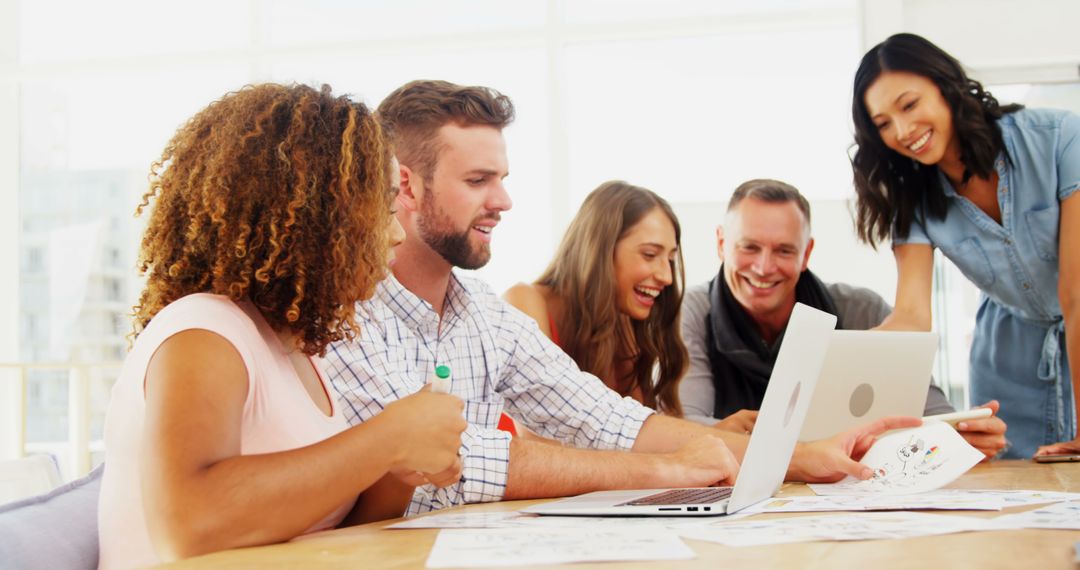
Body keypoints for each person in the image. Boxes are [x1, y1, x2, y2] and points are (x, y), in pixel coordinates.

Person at [325, 79, 919, 516]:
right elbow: (451, 467)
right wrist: (664, 471)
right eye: (479, 181)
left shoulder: (481, 314)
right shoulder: (345, 312)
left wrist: (803, 456)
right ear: (406, 185)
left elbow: (609, 421)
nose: (503, 201)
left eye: (502, 179)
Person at [97, 83, 467, 569]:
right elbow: (189, 526)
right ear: (318, 219)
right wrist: (388, 439)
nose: (397, 233)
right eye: (380, 210)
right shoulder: (202, 331)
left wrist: (398, 472)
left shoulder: (295, 347)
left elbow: (320, 532)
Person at [850, 33, 1079, 458]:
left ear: (946, 85)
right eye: (883, 123)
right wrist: (840, 358)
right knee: (1015, 490)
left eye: (909, 105)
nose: (902, 131)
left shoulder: (1060, 138)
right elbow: (912, 316)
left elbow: (1076, 292)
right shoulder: (913, 197)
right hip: (1007, 365)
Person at [678, 179, 1008, 459]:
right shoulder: (690, 313)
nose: (764, 267)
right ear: (721, 244)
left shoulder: (863, 310)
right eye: (749, 247)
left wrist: (964, 434)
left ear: (806, 254)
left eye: (784, 251)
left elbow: (932, 415)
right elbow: (684, 425)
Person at [504, 181, 687, 415]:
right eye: (649, 255)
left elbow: (642, 424)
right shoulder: (523, 301)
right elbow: (539, 430)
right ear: (600, 250)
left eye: (670, 259)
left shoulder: (620, 317)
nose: (667, 277)